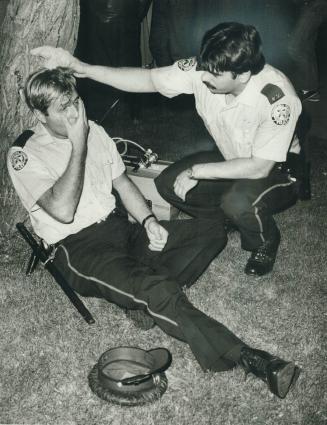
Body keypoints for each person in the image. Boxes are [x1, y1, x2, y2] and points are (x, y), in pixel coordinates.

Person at [8, 67, 299, 398]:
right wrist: (77, 145)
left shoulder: (95, 131)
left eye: (76, 101)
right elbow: (63, 210)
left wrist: (148, 220)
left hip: (122, 229)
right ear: (39, 114)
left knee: (211, 232)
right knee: (156, 288)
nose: (75, 113)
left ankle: (144, 300)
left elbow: (121, 182)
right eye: (63, 109)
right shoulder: (25, 153)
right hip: (79, 249)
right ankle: (250, 359)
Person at [31, 21, 302, 277]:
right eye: (204, 68)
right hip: (234, 158)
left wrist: (198, 171)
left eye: (214, 74)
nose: (204, 77)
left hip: (278, 170)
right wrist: (81, 67)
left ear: (242, 75)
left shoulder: (277, 98)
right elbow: (147, 80)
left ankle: (265, 241)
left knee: (237, 200)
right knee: (168, 184)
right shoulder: (208, 68)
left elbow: (259, 166)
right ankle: (224, 220)